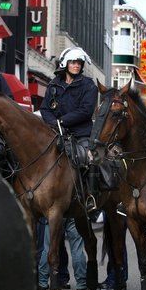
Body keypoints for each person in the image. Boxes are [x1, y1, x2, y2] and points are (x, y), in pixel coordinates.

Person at [40, 46, 99, 209]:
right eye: (73, 62)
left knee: (90, 159)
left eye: (79, 63)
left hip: (81, 135)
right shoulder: (53, 84)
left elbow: (86, 111)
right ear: (66, 63)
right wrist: (53, 123)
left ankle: (90, 197)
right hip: (55, 133)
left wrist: (61, 121)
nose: (77, 66)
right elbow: (45, 108)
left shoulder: (89, 85)